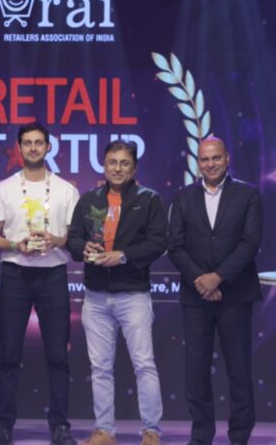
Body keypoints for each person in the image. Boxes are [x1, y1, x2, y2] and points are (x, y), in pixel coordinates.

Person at [0, 123, 80, 445]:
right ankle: (2, 427)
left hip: (54, 274)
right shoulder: (4, 189)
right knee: (9, 354)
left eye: (39, 142)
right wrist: (15, 244)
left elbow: (76, 238)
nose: (34, 148)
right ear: (19, 147)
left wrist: (57, 239)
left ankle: (60, 426)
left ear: (49, 147)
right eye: (27, 143)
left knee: (58, 355)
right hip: (15, 274)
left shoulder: (66, 190)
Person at [66, 140, 166, 445]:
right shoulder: (89, 200)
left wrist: (122, 256)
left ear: (134, 168)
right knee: (100, 368)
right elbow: (72, 240)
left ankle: (151, 431)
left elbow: (158, 243)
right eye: (112, 162)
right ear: (104, 166)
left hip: (133, 295)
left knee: (144, 365)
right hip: (95, 296)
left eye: (124, 163)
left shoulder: (149, 200)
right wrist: (84, 248)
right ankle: (104, 431)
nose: (117, 168)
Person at [168, 137, 263, 445]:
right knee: (196, 371)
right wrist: (202, 280)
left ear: (227, 159)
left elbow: (250, 243)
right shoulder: (183, 196)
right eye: (205, 159)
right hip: (195, 296)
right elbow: (175, 246)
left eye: (216, 158)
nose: (210, 164)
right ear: (198, 162)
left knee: (239, 370)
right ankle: (201, 436)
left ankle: (240, 437)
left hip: (236, 295)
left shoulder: (248, 194)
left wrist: (218, 278)